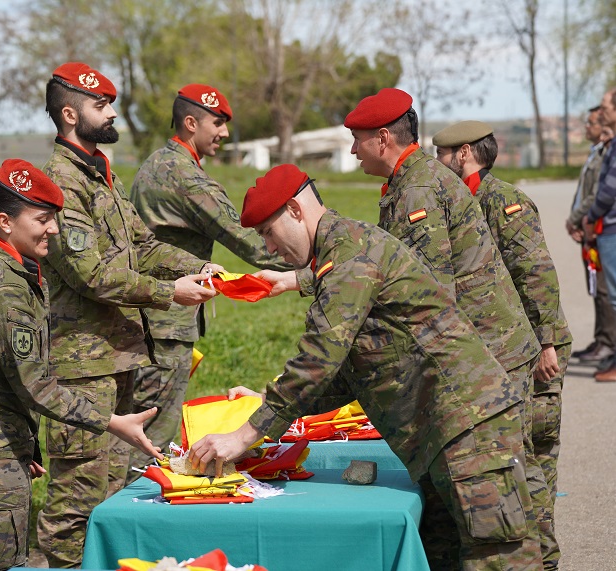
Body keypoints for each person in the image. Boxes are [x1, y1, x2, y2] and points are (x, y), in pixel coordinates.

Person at [188, 164, 542, 570]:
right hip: (445, 425)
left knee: (499, 557)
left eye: (268, 231)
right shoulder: (338, 255)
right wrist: (267, 403)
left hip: (468, 424)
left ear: (295, 209)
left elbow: (319, 358)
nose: (268, 248)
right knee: (442, 553)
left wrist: (246, 434)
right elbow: (351, 369)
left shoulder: (349, 256)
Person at [341, 88, 549, 569]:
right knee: (504, 487)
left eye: (357, 141)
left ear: (383, 138)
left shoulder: (416, 189)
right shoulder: (409, 181)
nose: (352, 152)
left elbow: (428, 293)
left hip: (488, 355)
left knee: (499, 495)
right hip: (481, 352)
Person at [37, 62, 223, 568]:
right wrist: (170, 293)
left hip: (117, 357)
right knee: (76, 499)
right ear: (71, 114)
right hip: (80, 365)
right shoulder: (60, 183)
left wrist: (199, 268)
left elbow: (142, 244)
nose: (113, 111)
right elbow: (90, 274)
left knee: (114, 487)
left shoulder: (100, 172)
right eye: (102, 105)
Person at [0, 159, 164, 571]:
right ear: (5, 222)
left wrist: (24, 443)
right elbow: (35, 386)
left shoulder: (1, 273)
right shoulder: (4, 289)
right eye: (42, 219)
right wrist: (115, 423)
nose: (55, 230)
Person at [127, 84, 290, 478]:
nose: (225, 133)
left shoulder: (155, 164)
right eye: (217, 123)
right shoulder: (186, 178)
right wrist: (314, 261)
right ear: (190, 123)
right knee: (151, 439)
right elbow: (246, 237)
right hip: (166, 324)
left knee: (137, 427)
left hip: (147, 318)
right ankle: (132, 519)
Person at [432, 120, 572, 569]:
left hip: (533, 350)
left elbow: (536, 273)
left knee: (531, 459)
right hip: (509, 348)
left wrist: (546, 343)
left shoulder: (503, 200)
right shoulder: (467, 199)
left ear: (465, 153)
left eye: (443, 154)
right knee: (519, 458)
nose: (438, 163)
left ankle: (543, 560)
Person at [566, 107, 616, 363]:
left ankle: (609, 342)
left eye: (591, 123)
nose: (586, 127)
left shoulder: (607, 151)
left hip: (598, 227)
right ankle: (601, 339)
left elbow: (597, 194)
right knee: (596, 286)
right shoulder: (597, 151)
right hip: (589, 226)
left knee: (606, 289)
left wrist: (578, 219)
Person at [585, 87, 616, 383]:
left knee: (614, 297)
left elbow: (608, 189)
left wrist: (589, 216)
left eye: (606, 107)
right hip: (607, 228)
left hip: (611, 228)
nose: (602, 111)